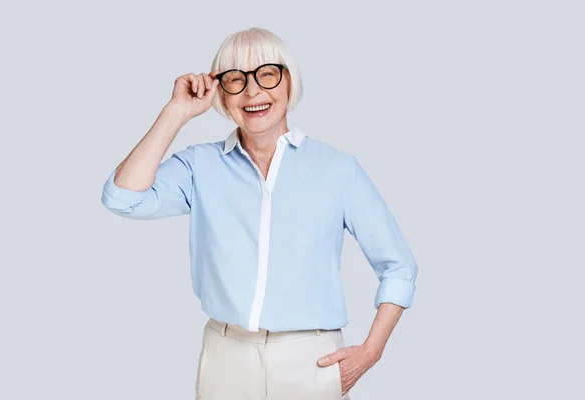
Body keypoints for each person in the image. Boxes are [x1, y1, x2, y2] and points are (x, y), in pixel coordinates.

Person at [101, 27, 418, 400]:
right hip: (225, 358)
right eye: (235, 79)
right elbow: (123, 197)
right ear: (221, 91)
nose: (252, 92)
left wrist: (370, 352)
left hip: (311, 360)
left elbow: (398, 266)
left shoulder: (337, 169)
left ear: (288, 81)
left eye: (266, 74)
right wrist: (176, 113)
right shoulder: (200, 166)